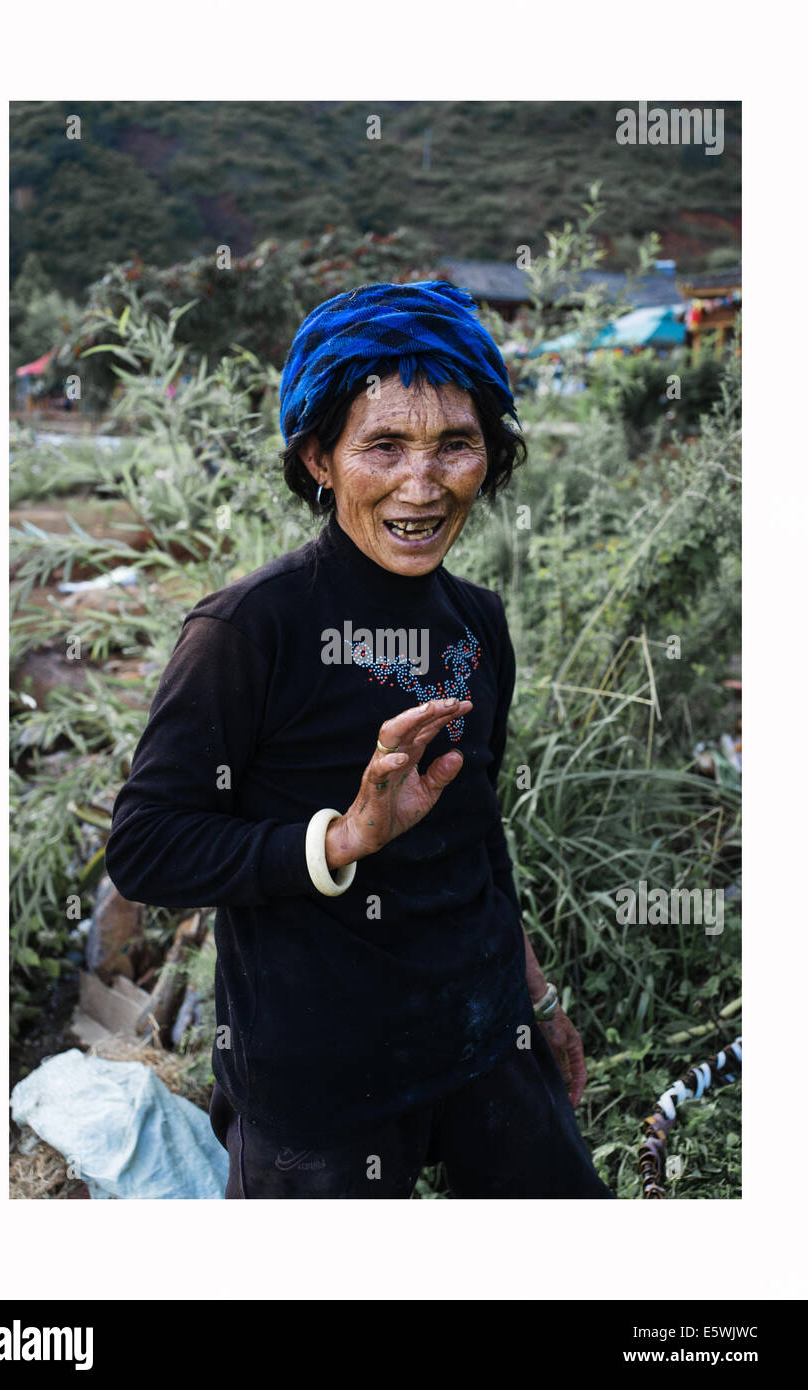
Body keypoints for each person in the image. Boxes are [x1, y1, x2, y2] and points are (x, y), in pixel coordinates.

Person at [106, 281, 614, 1199]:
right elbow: (146, 847)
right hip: (317, 1075)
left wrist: (536, 1002)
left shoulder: (477, 622)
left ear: (489, 459)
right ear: (319, 459)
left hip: (481, 1035)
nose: (421, 485)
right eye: (383, 444)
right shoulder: (248, 631)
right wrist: (339, 839)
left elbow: (477, 831)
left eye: (455, 444)